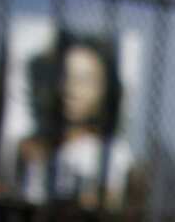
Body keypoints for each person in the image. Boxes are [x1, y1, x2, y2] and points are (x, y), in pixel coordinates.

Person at [16, 31, 133, 209]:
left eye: (85, 79)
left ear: (105, 89)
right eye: (65, 76)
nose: (71, 88)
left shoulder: (115, 154)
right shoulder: (31, 148)